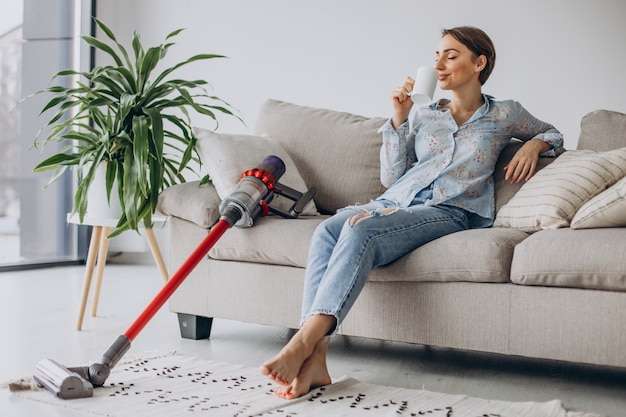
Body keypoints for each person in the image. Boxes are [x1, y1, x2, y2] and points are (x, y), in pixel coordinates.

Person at [260, 26, 563, 400]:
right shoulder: (424, 116)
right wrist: (399, 119)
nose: (439, 64)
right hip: (396, 202)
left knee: (361, 232)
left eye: (450, 55)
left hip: (452, 210)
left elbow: (553, 134)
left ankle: (302, 342)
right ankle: (316, 360)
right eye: (437, 56)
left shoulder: (504, 114)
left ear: (479, 62)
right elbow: (392, 178)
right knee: (327, 232)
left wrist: (532, 144)